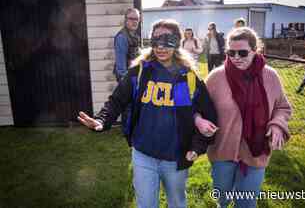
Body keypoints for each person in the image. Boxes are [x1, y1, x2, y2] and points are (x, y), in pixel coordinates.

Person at [78, 19, 217, 208]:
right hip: (143, 154)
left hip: (176, 158)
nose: (161, 47)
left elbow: (208, 115)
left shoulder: (188, 77)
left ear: (177, 42)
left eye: (167, 41)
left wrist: (197, 147)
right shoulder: (140, 72)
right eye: (156, 41)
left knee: (177, 203)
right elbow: (117, 100)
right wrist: (102, 120)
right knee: (146, 204)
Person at [195, 27, 292, 208]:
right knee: (222, 197)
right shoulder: (216, 77)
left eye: (242, 52)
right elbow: (197, 107)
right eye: (231, 52)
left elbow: (282, 107)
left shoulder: (270, 76)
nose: (236, 57)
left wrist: (277, 125)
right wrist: (199, 121)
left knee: (246, 202)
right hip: (222, 151)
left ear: (255, 51)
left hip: (256, 151)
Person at [113, 8, 141, 82]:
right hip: (127, 79)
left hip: (134, 74)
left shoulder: (135, 36)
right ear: (126, 20)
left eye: (137, 19)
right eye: (131, 19)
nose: (135, 21)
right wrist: (126, 83)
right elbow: (121, 68)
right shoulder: (122, 37)